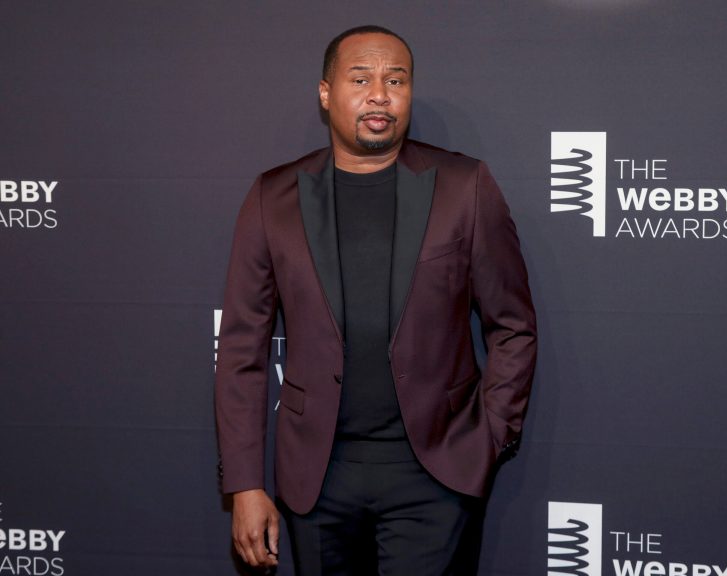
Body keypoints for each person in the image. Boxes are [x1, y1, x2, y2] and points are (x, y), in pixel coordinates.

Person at [215, 25, 537, 575]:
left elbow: (513, 326)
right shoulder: (274, 197)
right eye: (360, 78)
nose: (379, 94)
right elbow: (242, 347)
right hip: (316, 481)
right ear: (326, 93)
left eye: (396, 80)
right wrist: (246, 483)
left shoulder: (465, 186)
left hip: (437, 476)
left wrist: (487, 438)